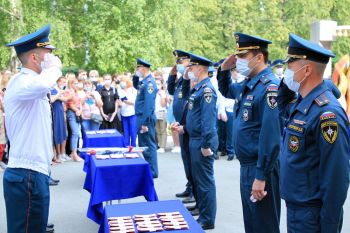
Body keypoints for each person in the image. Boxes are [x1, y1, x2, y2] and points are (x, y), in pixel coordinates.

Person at [277, 33, 349, 233]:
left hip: (312, 215)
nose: (286, 70)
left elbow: (336, 177)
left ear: (306, 69)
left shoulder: (327, 114)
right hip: (298, 209)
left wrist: (329, 226)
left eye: (290, 64)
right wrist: (286, 84)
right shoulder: (303, 103)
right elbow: (281, 106)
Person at [218, 32, 282, 233]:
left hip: (260, 167)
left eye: (243, 57)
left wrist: (261, 175)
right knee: (253, 224)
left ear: (259, 57)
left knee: (264, 225)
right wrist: (223, 70)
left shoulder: (269, 88)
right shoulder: (249, 84)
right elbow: (227, 90)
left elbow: (270, 137)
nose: (238, 61)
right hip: (248, 166)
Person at [3, 24, 62, 233]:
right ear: (35, 58)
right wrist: (55, 68)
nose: (52, 58)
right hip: (26, 175)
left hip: (33, 173)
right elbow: (41, 85)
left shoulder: (31, 82)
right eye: (48, 54)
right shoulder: (22, 82)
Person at [174, 53, 218, 230]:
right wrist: (184, 128)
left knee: (205, 182)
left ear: (200, 68)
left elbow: (208, 121)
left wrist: (207, 145)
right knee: (198, 180)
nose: (189, 70)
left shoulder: (206, 90)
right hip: (194, 138)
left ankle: (208, 218)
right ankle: (201, 209)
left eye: (191, 67)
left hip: (202, 141)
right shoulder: (198, 88)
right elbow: (196, 118)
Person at [167, 50, 195, 203]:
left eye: (180, 62)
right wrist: (172, 73)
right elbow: (170, 90)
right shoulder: (181, 80)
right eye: (177, 62)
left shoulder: (192, 80)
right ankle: (189, 185)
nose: (178, 64)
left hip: (188, 127)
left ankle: (194, 190)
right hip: (181, 126)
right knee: (186, 160)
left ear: (189, 62)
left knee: (191, 161)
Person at [133, 58, 158, 178]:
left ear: (143, 68)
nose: (137, 70)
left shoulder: (149, 84)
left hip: (145, 118)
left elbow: (148, 105)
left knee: (149, 145)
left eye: (138, 68)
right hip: (141, 117)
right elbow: (135, 85)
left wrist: (144, 123)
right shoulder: (144, 82)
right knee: (144, 144)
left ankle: (152, 171)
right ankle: (148, 168)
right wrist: (135, 75)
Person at [50, 76, 69, 163]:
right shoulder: (53, 89)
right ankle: (57, 154)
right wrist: (59, 94)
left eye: (65, 82)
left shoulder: (59, 90)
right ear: (57, 81)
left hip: (61, 111)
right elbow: (52, 100)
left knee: (62, 132)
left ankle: (61, 153)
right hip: (55, 112)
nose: (64, 84)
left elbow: (65, 99)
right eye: (62, 82)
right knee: (56, 132)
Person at [65, 75, 83, 162]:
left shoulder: (75, 92)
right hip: (72, 113)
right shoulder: (69, 91)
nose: (77, 84)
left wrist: (80, 110)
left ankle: (74, 152)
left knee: (76, 133)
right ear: (71, 84)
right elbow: (69, 103)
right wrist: (77, 110)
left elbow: (79, 102)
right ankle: (74, 153)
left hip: (77, 113)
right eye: (75, 83)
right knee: (75, 133)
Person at [118, 75, 137, 147]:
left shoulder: (133, 90)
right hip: (123, 113)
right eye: (121, 81)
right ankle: (126, 146)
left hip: (132, 113)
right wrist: (119, 103)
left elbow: (134, 102)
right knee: (126, 132)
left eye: (123, 81)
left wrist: (126, 101)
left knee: (133, 132)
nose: (122, 83)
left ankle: (134, 147)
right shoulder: (119, 90)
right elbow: (119, 101)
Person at [155, 78, 168, 153]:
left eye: (158, 84)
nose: (157, 85)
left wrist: (161, 96)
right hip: (155, 112)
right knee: (157, 130)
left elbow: (163, 105)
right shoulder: (153, 92)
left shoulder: (163, 92)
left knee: (162, 130)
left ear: (161, 85)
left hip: (162, 112)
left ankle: (163, 146)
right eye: (156, 83)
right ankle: (160, 145)